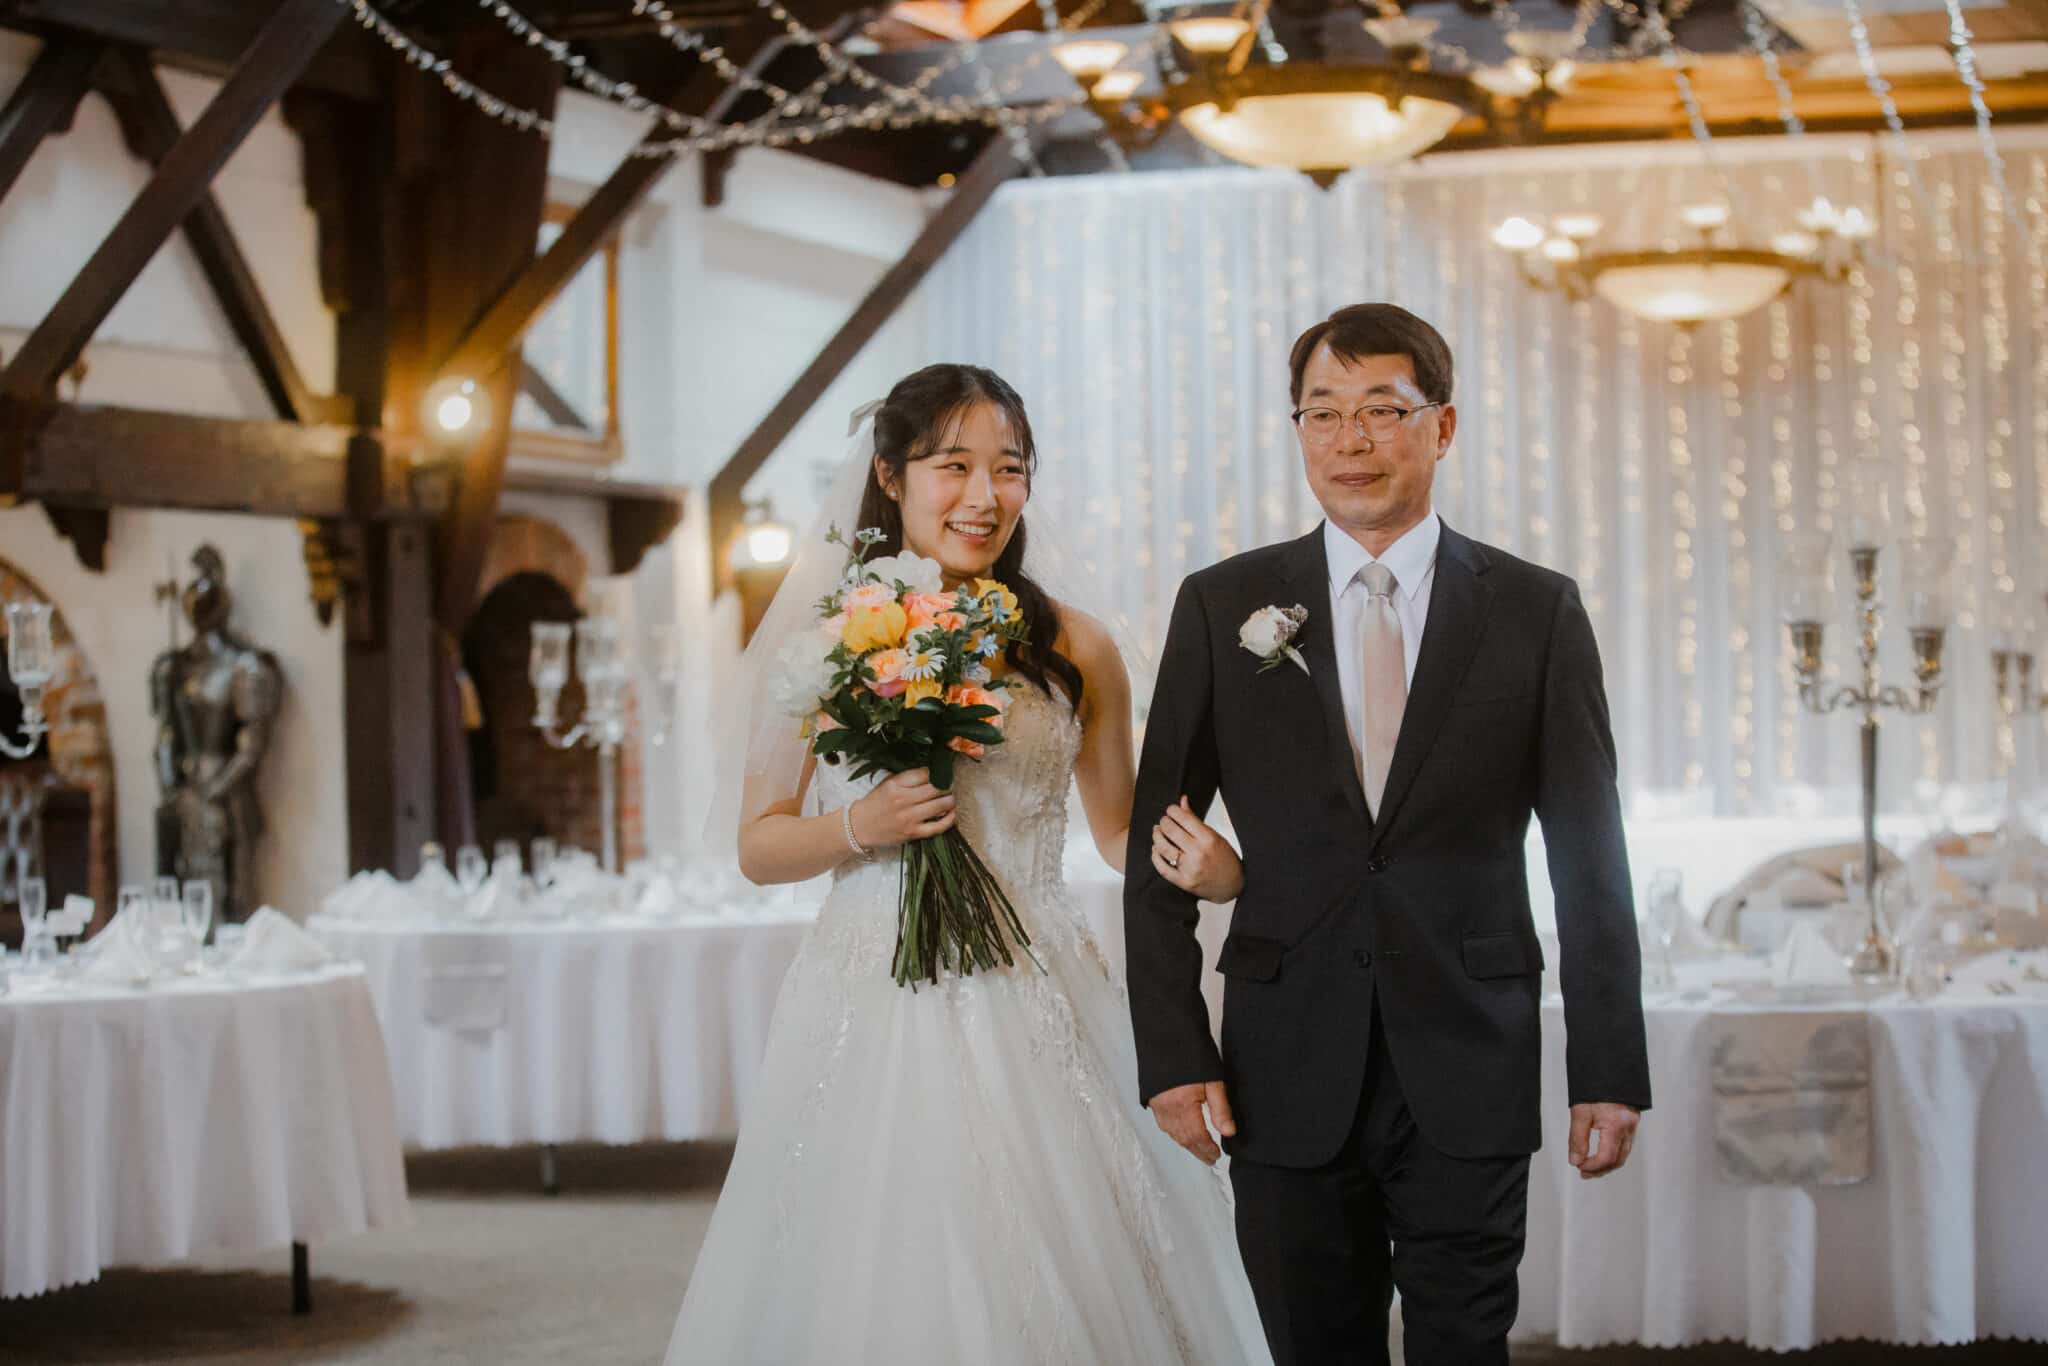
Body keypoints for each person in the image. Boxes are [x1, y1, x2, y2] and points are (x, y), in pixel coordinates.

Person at [664, 363, 1270, 1365]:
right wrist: (858, 823)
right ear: (890, 475)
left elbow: (1119, 832)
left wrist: (1216, 869)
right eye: (954, 465)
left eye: (1010, 468)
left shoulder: (1074, 643)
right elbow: (759, 844)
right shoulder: (826, 638)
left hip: (1039, 979)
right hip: (872, 987)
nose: (985, 496)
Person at [1129, 303, 1653, 1366]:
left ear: (1441, 426)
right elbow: (1157, 850)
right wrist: (1172, 1056)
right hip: (1281, 1063)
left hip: (1469, 1046)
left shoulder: (1533, 610)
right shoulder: (1222, 605)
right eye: (1320, 413)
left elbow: (1589, 857)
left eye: (1380, 410)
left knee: (1465, 1344)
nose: (1348, 440)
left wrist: (1606, 1064)